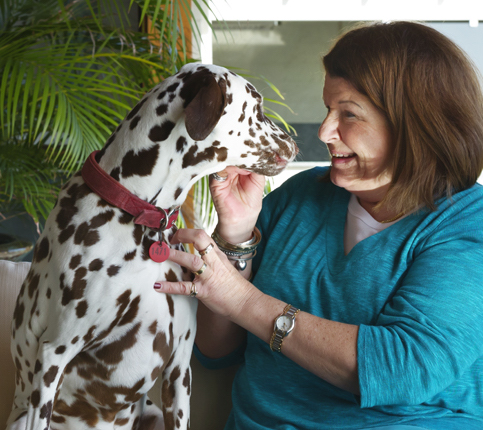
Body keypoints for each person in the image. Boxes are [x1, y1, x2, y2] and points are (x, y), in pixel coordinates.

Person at [153, 21, 483, 430]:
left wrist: (243, 300)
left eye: (348, 113)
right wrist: (236, 235)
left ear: (417, 124)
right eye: (329, 109)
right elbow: (215, 350)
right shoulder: (301, 195)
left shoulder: (468, 225)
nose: (325, 131)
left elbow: (405, 369)